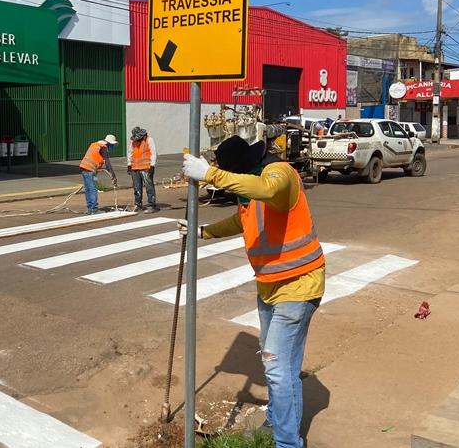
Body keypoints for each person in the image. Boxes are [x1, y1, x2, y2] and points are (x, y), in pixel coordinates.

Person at [179, 136, 325, 448]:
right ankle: (278, 417)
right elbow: (243, 221)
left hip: (299, 284)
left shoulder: (279, 174)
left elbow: (268, 190)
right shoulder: (250, 189)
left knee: (276, 365)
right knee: (281, 366)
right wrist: (203, 232)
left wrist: (211, 175)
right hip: (270, 286)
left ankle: (287, 443)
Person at [78, 134, 119, 215]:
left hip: (84, 167)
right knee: (93, 189)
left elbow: (94, 158)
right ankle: (94, 209)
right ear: (109, 143)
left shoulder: (95, 145)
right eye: (112, 145)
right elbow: (107, 164)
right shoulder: (103, 148)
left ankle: (90, 208)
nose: (112, 147)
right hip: (90, 170)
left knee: (88, 189)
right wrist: (113, 177)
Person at [127, 126, 157, 214]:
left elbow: (153, 153)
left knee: (149, 187)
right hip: (135, 168)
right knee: (137, 188)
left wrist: (152, 165)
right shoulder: (133, 141)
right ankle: (138, 204)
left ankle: (152, 205)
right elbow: (130, 152)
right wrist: (129, 164)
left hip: (146, 167)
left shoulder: (149, 140)